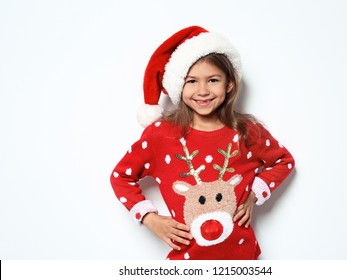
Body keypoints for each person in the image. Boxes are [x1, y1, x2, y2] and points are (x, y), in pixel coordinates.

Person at [110, 26, 295, 260]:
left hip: (242, 258)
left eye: (213, 80)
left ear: (229, 85)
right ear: (179, 87)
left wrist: (254, 195)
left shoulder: (246, 131)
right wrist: (149, 218)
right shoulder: (161, 135)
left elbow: (283, 161)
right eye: (192, 81)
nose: (203, 91)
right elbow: (121, 176)